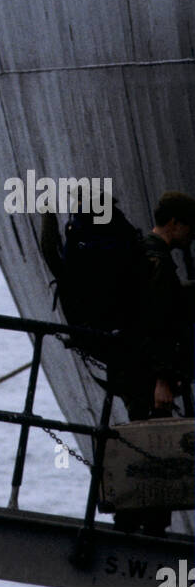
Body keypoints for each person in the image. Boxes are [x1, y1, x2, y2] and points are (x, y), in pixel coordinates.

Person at [113, 190, 195, 535]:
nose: (192, 236)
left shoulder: (145, 254)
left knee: (143, 438)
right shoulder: (157, 260)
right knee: (154, 444)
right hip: (147, 373)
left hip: (133, 368)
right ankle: (145, 523)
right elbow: (156, 323)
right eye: (190, 227)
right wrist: (163, 379)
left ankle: (134, 518)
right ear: (174, 223)